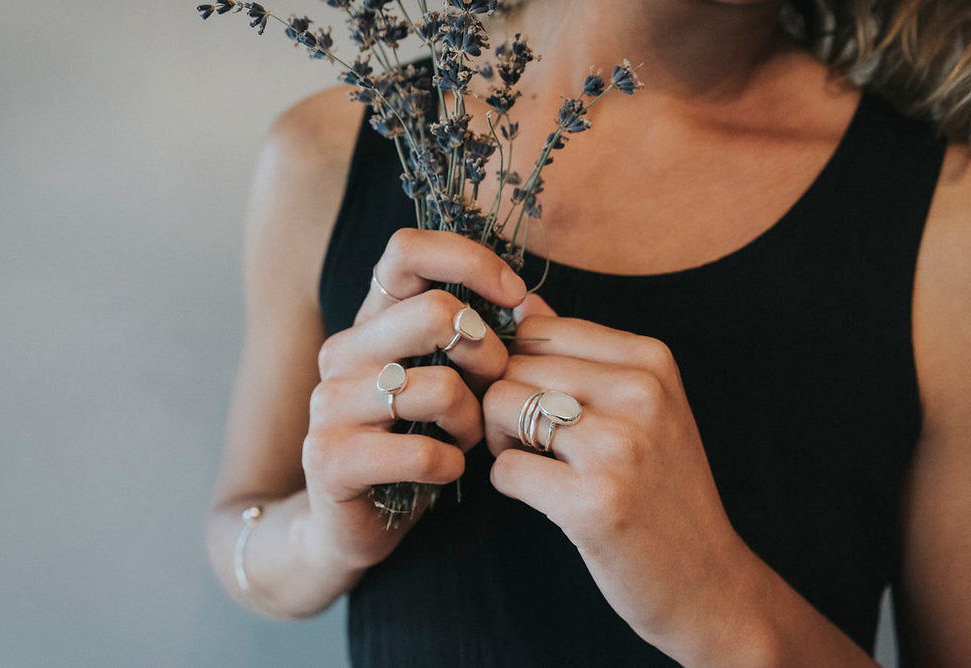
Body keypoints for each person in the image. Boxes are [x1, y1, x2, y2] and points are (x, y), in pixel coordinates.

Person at [204, 0, 971, 664]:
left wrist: (720, 602)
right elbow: (239, 521)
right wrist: (321, 540)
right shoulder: (328, 153)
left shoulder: (945, 221)